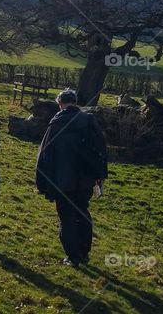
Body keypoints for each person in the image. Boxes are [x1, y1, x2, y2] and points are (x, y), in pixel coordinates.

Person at [35, 89, 108, 267]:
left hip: (62, 180)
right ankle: (84, 252)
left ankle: (73, 256)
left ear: (60, 104)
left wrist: (42, 182)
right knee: (83, 212)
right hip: (85, 179)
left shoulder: (56, 124)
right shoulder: (89, 121)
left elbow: (44, 154)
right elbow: (100, 150)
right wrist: (100, 175)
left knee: (66, 217)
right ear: (75, 103)